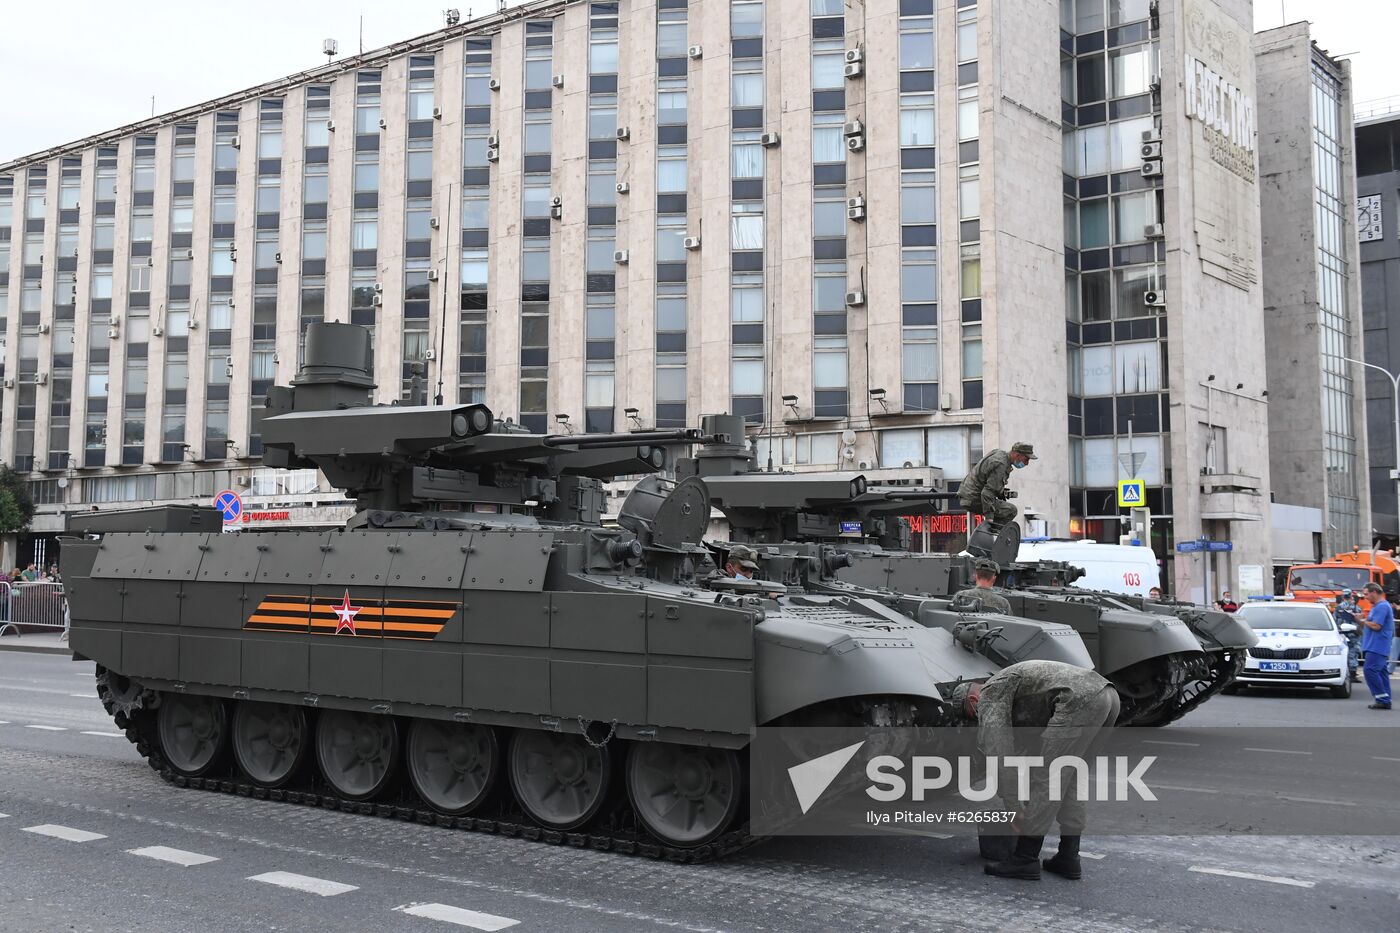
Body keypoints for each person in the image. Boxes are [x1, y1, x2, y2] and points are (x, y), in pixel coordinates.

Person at [952, 660, 1120, 881]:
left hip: (1078, 699)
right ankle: (1069, 857)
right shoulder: (1011, 683)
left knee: (1049, 778)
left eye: (974, 716)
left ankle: (1025, 858)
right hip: (1108, 695)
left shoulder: (990, 693)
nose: (979, 720)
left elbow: (999, 752)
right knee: (1070, 776)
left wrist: (1013, 807)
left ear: (973, 701)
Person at [958, 443, 1037, 532]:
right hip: (974, 498)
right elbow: (987, 493)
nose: (1027, 463)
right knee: (1011, 510)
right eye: (1026, 459)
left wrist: (1000, 492)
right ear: (1017, 455)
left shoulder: (999, 453)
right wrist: (989, 519)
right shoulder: (1001, 464)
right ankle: (991, 536)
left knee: (1003, 508)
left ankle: (990, 534)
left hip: (967, 495)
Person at [1360, 582, 1393, 710]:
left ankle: (1382, 698)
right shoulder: (1378, 606)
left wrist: (1364, 621)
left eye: (1366, 594)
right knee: (1381, 672)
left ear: (1374, 592)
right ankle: (1385, 698)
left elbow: (1376, 626)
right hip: (1376, 644)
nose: (1365, 597)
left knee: (1370, 670)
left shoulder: (1381, 607)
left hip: (1377, 645)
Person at [1334, 590, 1363, 683]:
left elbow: (1335, 619)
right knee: (1353, 653)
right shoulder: (1356, 608)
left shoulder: (1338, 607)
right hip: (1354, 633)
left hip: (1342, 633)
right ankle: (1352, 674)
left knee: (1342, 653)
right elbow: (1360, 619)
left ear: (1343, 596)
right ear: (1351, 596)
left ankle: (1345, 673)